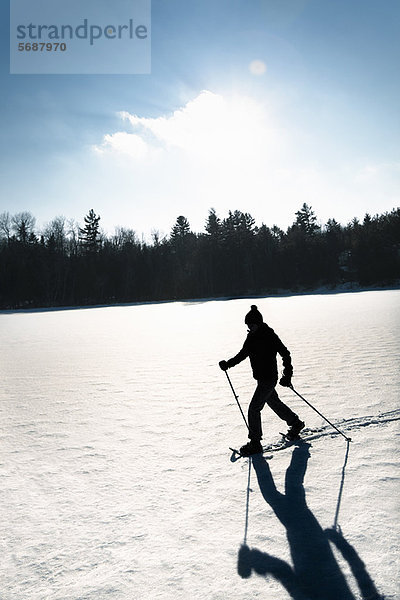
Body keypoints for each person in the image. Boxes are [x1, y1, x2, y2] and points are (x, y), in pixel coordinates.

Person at [219, 305, 304, 456]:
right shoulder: (251, 336)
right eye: (248, 326)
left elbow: (285, 354)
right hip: (262, 379)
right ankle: (295, 423)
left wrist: (287, 375)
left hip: (269, 378)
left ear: (258, 323)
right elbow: (243, 354)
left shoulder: (269, 335)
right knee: (274, 402)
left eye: (251, 325)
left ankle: (255, 443)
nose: (249, 328)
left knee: (254, 408)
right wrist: (228, 364)